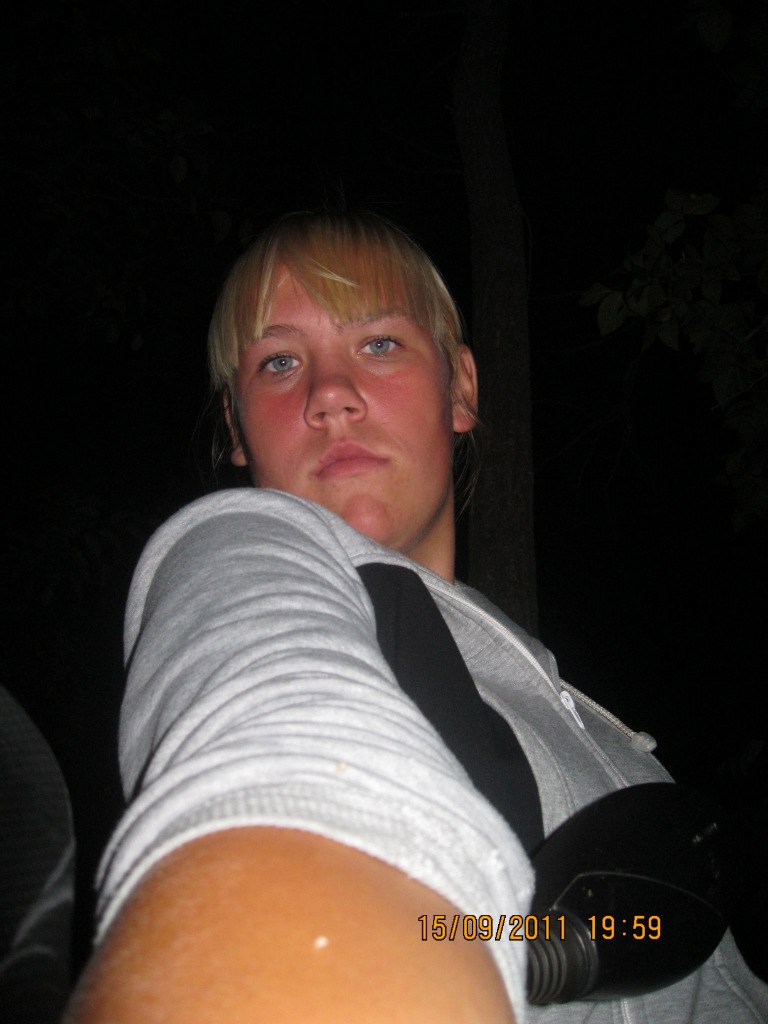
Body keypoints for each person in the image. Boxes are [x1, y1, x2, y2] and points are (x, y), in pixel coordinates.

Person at [64, 212, 767, 1023]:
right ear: (235, 427)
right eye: (279, 362)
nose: (329, 394)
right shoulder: (240, 546)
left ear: (460, 387)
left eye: (379, 343)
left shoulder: (563, 697)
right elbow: (263, 737)